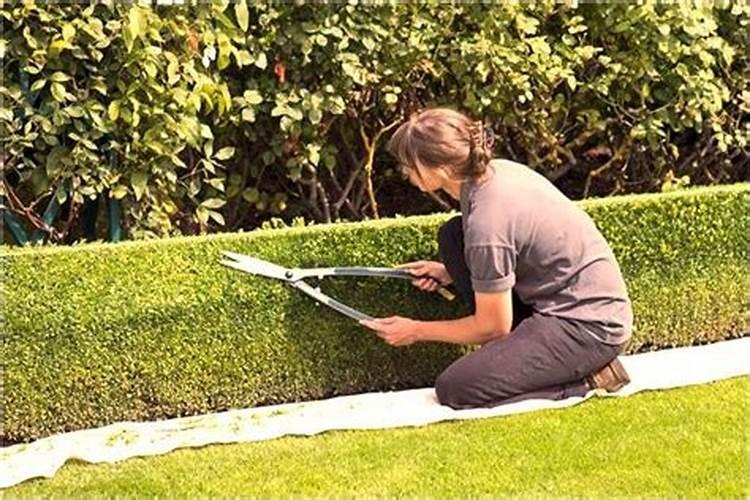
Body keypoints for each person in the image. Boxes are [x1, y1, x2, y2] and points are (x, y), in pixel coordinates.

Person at [359, 107, 632, 409]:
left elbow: (492, 327)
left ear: (436, 168)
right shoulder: (493, 174)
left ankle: (590, 378)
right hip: (564, 300)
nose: (406, 173)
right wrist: (448, 271)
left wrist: (416, 330)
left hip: (587, 326)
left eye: (409, 165)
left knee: (456, 389)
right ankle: (524, 357)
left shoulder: (487, 221)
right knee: (453, 237)